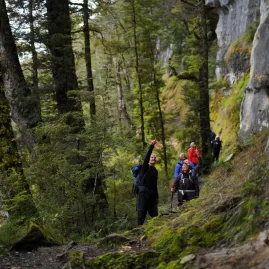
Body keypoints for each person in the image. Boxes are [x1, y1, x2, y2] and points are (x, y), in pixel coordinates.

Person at [137, 140, 159, 225]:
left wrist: (157, 197)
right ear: (149, 160)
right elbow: (146, 158)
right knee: (141, 214)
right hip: (143, 194)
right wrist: (151, 146)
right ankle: (139, 232)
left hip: (152, 195)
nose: (153, 158)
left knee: (155, 214)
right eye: (152, 157)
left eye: (154, 158)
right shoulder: (144, 168)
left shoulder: (155, 171)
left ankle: (156, 230)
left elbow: (155, 185)